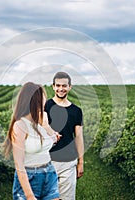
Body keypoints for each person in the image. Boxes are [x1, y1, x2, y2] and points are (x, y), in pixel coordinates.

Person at [3, 82, 61, 200]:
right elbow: (19, 164)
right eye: (41, 103)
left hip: (49, 173)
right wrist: (29, 196)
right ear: (34, 103)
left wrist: (46, 126)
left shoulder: (41, 121)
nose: (44, 107)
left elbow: (55, 139)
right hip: (30, 177)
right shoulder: (20, 125)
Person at [44, 72, 84, 200]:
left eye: (64, 86)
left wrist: (81, 162)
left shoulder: (76, 111)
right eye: (58, 85)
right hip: (47, 160)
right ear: (53, 86)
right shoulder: (46, 106)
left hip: (68, 162)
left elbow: (78, 137)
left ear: (70, 87)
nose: (61, 89)